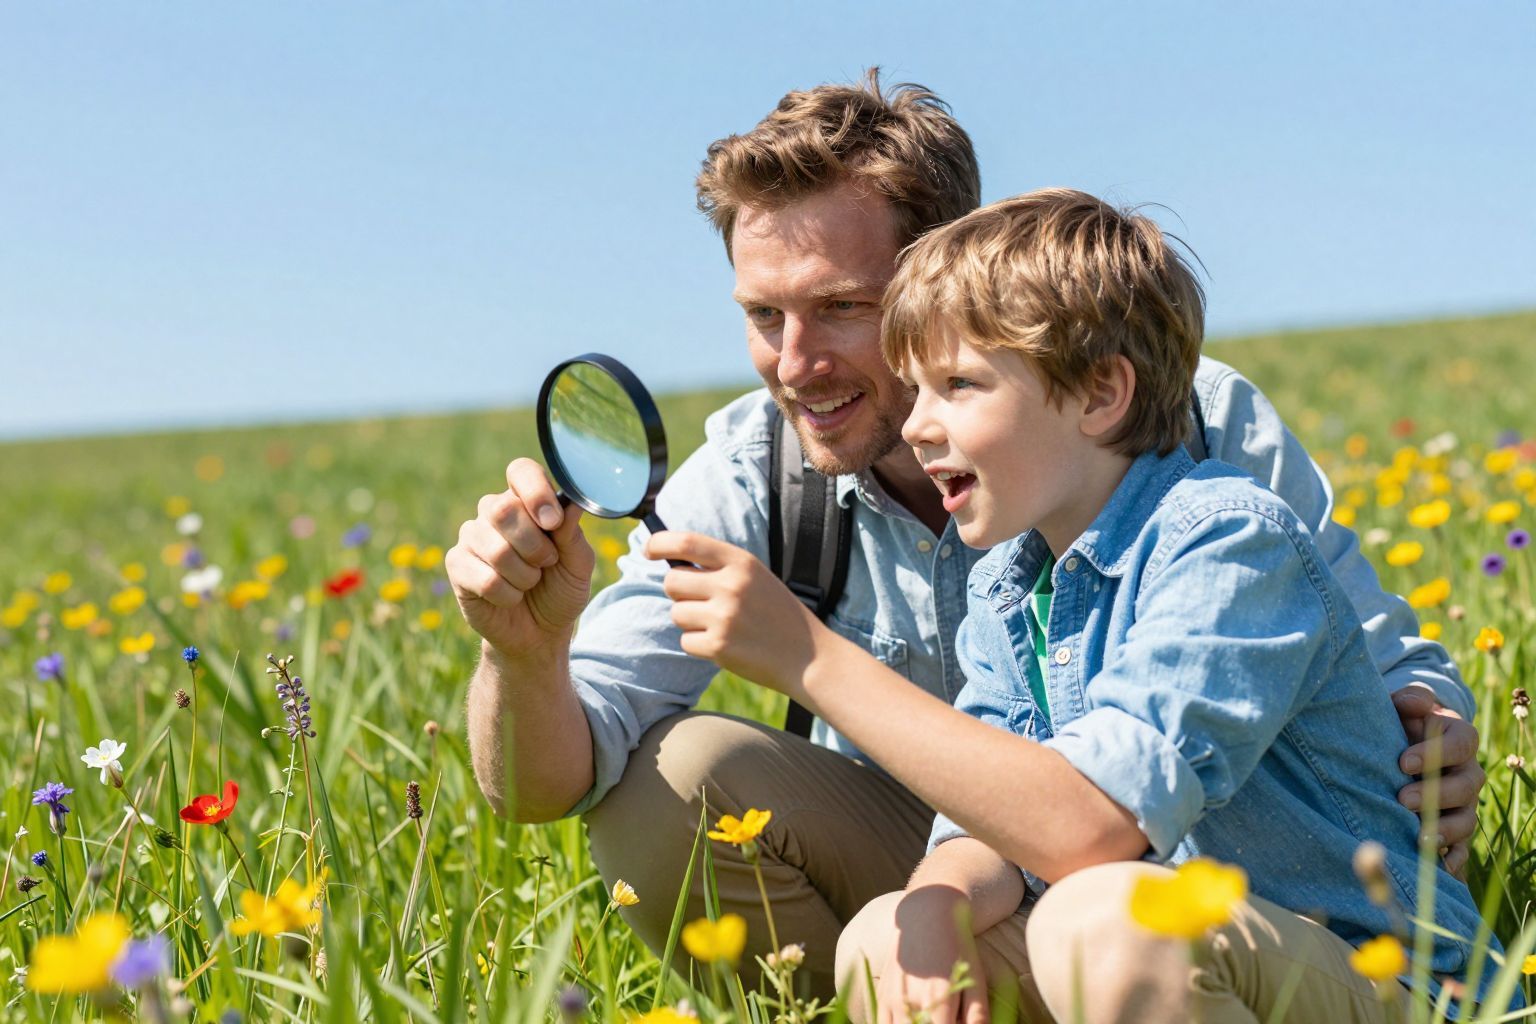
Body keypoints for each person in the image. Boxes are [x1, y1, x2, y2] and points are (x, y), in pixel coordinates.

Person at [447, 71, 1484, 998]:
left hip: (1290, 919)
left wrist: (1431, 728)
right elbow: (546, 784)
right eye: (763, 316)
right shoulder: (986, 567)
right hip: (1044, 878)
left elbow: (1382, 674)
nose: (795, 365)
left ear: (941, 278)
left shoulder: (1203, 463)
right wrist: (521, 649)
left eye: (843, 307)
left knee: (1104, 917)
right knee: (874, 926)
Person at [647, 188, 1493, 1021]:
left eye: (959, 385)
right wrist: (940, 897)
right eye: (916, 388)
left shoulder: (1228, 543)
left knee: (1101, 923)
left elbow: (1089, 825)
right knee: (887, 939)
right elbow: (985, 831)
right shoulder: (1009, 584)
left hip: (1384, 976)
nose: (917, 427)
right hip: (1167, 951)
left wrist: (811, 658)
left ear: (1099, 394)